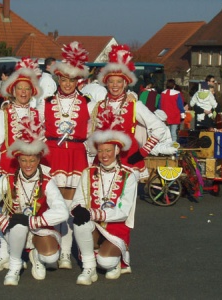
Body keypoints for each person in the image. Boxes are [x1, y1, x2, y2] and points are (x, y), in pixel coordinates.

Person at [0, 121, 69, 286]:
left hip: (38, 227)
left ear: (39, 159)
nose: (28, 165)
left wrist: (33, 221)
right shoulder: (8, 179)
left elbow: (62, 211)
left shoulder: (47, 182)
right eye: (24, 160)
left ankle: (36, 255)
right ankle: (14, 266)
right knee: (18, 225)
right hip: (15, 229)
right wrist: (3, 222)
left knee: (51, 257)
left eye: (32, 161)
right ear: (18, 160)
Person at [37, 41, 95, 269]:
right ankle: (58, 248)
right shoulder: (46, 103)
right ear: (58, 79)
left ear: (78, 81)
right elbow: (37, 128)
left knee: (72, 206)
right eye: (63, 79)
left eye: (72, 80)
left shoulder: (88, 103)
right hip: (53, 156)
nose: (68, 84)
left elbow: (93, 131)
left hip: (76, 156)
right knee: (54, 203)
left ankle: (66, 253)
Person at [0, 58, 43, 272]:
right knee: (5, 211)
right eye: (20, 88)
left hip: (29, 169)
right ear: (13, 90)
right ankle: (3, 254)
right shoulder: (4, 113)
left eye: (27, 89)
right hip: (7, 167)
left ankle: (24, 252)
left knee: (28, 208)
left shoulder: (37, 114)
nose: (23, 93)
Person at [92, 44, 172, 182]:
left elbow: (159, 128)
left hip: (128, 160)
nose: (115, 85)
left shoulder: (134, 105)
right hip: (103, 161)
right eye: (111, 82)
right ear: (106, 83)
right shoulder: (99, 106)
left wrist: (143, 152)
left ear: (125, 83)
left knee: (126, 201)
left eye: (119, 82)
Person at [71, 120, 137, 285]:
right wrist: (78, 210)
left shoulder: (129, 176)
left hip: (116, 227)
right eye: (100, 151)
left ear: (116, 151)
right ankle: (89, 267)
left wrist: (92, 212)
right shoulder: (88, 172)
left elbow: (123, 212)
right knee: (79, 222)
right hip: (94, 225)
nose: (104, 155)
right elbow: (77, 200)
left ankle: (116, 260)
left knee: (105, 262)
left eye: (108, 150)